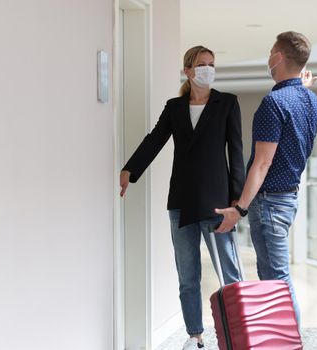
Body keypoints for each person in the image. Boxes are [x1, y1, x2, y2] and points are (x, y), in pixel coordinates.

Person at [120, 45, 245, 350]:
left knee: (229, 275)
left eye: (211, 64)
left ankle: (241, 336)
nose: (207, 69)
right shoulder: (174, 108)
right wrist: (130, 170)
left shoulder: (227, 103)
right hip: (181, 203)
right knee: (188, 277)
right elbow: (155, 140)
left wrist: (237, 205)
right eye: (201, 65)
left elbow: (237, 154)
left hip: (218, 204)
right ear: (188, 71)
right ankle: (195, 336)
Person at [215, 31, 317, 326]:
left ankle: (289, 342)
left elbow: (262, 163)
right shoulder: (312, 101)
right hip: (287, 200)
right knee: (273, 279)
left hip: (270, 204)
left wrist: (239, 209)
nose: (268, 58)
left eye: (270, 53)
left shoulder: (272, 104)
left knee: (277, 281)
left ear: (278, 57)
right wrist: (303, 85)